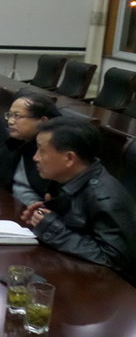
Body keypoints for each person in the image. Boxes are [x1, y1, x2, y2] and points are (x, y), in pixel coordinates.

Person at [21, 118, 136, 283]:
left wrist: (52, 227)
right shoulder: (69, 178)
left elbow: (113, 261)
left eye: (42, 151)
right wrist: (47, 212)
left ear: (69, 158)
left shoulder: (104, 197)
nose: (35, 157)